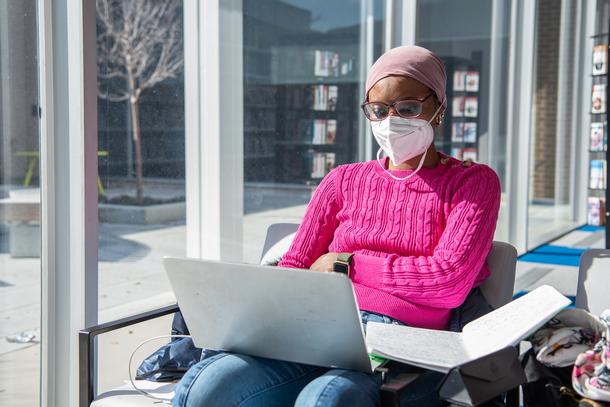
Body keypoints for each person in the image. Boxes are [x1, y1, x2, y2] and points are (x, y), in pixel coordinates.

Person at [172, 45, 501, 407]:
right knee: (207, 388)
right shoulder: (342, 180)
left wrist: (346, 263)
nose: (390, 121)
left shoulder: (472, 183)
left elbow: (447, 283)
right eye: (377, 111)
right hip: (315, 326)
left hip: (401, 341)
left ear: (438, 109)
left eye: (407, 108)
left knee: (325, 400)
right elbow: (295, 269)